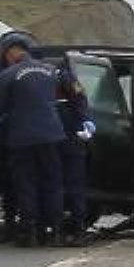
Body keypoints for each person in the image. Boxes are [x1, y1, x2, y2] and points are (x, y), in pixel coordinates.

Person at [0, 31, 66, 247]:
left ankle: (28, 232)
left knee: (26, 184)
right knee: (53, 183)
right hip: (51, 135)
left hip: (22, 138)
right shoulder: (51, 71)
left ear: (13, 52)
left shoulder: (8, 75)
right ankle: (56, 231)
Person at [55, 68, 97, 246]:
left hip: (50, 141)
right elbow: (80, 100)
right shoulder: (64, 76)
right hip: (70, 141)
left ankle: (55, 230)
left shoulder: (43, 79)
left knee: (53, 186)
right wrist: (86, 119)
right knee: (75, 186)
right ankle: (77, 230)